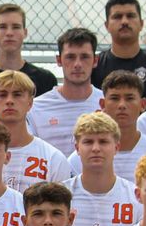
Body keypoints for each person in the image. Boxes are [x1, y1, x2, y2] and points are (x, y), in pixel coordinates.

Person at [0, 71, 70, 193]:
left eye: (17, 95)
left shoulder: (53, 158)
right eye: (2, 95)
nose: (9, 101)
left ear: (30, 103)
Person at [64, 112, 142, 226]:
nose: (96, 148)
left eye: (103, 142)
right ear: (77, 148)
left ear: (116, 147)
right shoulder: (61, 196)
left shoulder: (135, 198)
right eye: (88, 142)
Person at [69, 70, 146, 182]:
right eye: (115, 98)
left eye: (129, 98)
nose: (122, 105)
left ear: (143, 104)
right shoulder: (80, 158)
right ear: (102, 104)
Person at [29, 28, 104, 156]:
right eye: (70, 57)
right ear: (59, 60)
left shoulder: (108, 103)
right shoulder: (36, 108)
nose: (77, 64)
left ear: (95, 60)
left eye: (84, 57)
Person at [92, 0, 146, 108]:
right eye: (117, 17)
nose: (124, 21)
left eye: (130, 16)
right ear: (107, 25)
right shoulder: (95, 66)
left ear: (141, 24)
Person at [0, 3, 58, 96]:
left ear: (25, 32)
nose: (9, 33)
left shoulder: (45, 80)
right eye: (2, 27)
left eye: (16, 27)